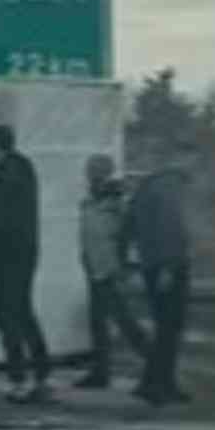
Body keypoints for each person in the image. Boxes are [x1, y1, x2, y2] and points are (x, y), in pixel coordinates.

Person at [0, 124, 52, 404]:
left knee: (9, 314)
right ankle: (39, 371)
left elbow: (3, 218)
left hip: (8, 255)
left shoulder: (9, 172)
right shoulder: (21, 169)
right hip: (20, 254)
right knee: (22, 311)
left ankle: (19, 377)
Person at [125, 140, 195, 406]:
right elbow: (171, 228)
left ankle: (151, 382)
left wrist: (137, 262)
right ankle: (160, 386)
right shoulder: (171, 187)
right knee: (170, 328)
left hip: (150, 263)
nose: (194, 167)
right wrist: (169, 266)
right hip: (169, 265)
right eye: (191, 160)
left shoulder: (148, 185)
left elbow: (130, 225)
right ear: (181, 158)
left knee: (162, 327)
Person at [75, 154, 149, 389]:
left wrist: (126, 264)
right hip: (94, 264)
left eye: (94, 170)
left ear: (104, 172)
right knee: (98, 321)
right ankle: (100, 372)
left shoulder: (117, 199)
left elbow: (129, 232)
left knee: (123, 320)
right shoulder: (90, 199)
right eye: (89, 170)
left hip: (109, 267)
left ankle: (156, 363)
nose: (89, 174)